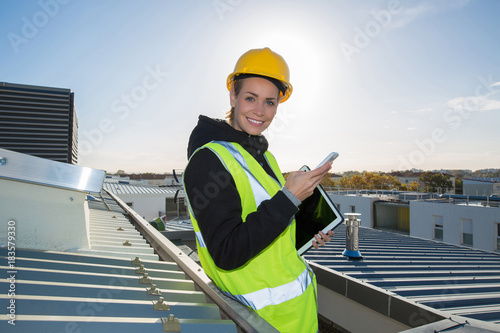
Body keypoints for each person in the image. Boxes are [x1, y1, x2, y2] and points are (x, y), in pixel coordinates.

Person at [183, 47, 333, 332]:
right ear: (233, 97)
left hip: (294, 317)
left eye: (270, 102)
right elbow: (228, 252)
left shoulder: (263, 155)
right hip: (258, 321)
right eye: (250, 98)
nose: (260, 111)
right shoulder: (208, 161)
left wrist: (304, 233)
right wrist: (289, 197)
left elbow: (266, 224)